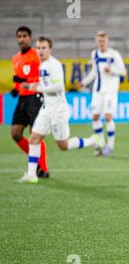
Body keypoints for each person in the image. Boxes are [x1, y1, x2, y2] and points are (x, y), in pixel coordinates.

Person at [17, 37, 101, 183]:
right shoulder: (42, 66)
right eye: (38, 48)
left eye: (44, 48)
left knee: (63, 145)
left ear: (50, 49)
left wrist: (38, 88)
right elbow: (45, 84)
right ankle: (32, 174)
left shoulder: (54, 65)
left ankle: (93, 140)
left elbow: (58, 87)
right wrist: (32, 86)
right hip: (46, 109)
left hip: (58, 111)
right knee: (34, 138)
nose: (41, 51)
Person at [79, 31, 126, 157]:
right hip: (97, 90)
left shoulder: (114, 54)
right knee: (95, 117)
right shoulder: (94, 54)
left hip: (110, 91)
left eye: (103, 40)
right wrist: (84, 82)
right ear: (96, 41)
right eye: (99, 41)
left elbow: (123, 72)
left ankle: (110, 146)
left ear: (107, 41)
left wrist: (112, 70)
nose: (101, 43)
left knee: (108, 116)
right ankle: (100, 144)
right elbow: (94, 71)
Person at [10, 26, 49, 178]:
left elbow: (42, 78)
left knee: (36, 134)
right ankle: (36, 158)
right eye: (19, 36)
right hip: (22, 98)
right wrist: (15, 88)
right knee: (15, 134)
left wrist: (24, 80)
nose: (21, 39)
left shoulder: (37, 56)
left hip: (36, 97)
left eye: (24, 36)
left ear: (30, 38)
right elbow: (19, 79)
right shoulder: (15, 58)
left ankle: (43, 168)